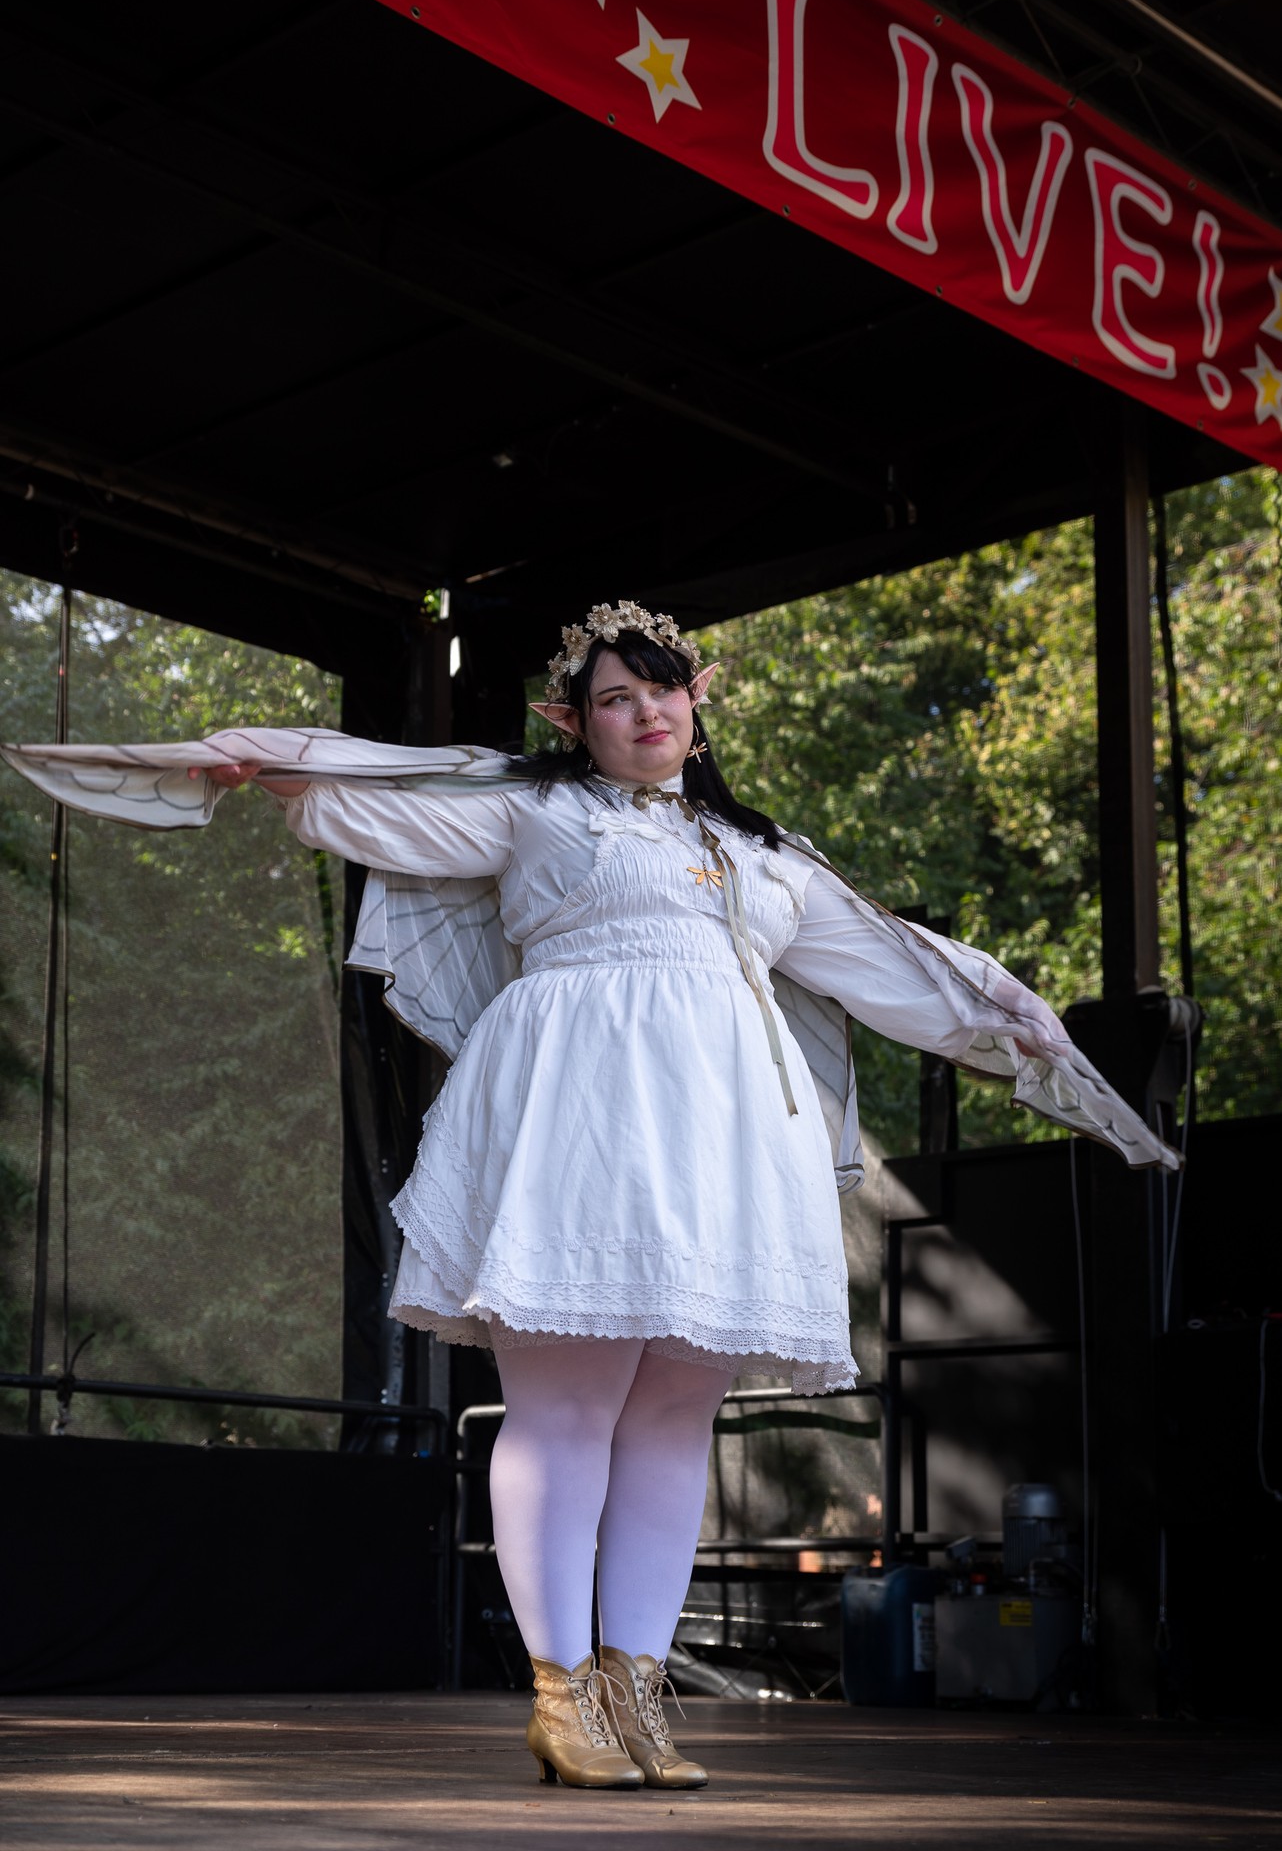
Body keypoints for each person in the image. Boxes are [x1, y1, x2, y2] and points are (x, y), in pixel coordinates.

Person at [2, 600, 1177, 1791]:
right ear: (570, 720)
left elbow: (892, 965)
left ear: (696, 702)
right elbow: (385, 801)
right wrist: (271, 769)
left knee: (674, 1419)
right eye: (616, 697)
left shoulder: (767, 855)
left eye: (662, 690)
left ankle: (638, 1693)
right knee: (564, 1412)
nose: (644, 712)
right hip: (578, 1118)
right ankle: (562, 1693)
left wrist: (1006, 1017)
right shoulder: (533, 807)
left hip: (720, 1144)